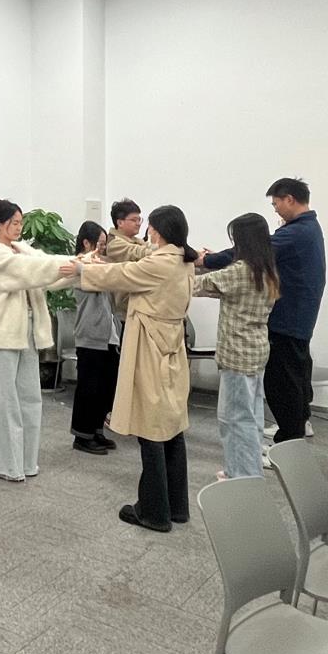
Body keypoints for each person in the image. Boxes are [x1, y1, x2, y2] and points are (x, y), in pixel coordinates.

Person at [78, 205, 196, 533]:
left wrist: (81, 269)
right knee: (171, 426)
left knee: (150, 427)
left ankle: (154, 511)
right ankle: (177, 506)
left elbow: (122, 275)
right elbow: (127, 265)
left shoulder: (160, 261)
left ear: (160, 230)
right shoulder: (183, 260)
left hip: (150, 347)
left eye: (149, 225)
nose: (146, 229)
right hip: (171, 345)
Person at [200, 178, 326, 445]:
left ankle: (289, 440)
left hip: (288, 319)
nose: (276, 209)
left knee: (283, 382)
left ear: (290, 199)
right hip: (299, 316)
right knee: (297, 374)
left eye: (276, 203)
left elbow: (256, 251)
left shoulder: (296, 232)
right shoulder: (308, 228)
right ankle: (298, 424)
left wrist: (206, 260)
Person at [0, 198, 77, 482]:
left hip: (29, 332)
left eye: (20, 222)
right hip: (6, 333)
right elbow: (30, 270)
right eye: (14, 222)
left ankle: (26, 462)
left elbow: (46, 272)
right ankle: (5, 464)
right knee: (5, 401)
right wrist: (71, 264)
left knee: (31, 398)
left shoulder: (22, 249)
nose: (19, 227)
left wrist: (78, 267)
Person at [194, 213, 279, 480]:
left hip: (237, 355)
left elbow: (197, 285)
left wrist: (180, 265)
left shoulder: (241, 271)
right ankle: (244, 471)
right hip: (256, 351)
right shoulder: (267, 269)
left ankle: (241, 477)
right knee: (251, 416)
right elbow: (218, 282)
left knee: (233, 419)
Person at [68, 221, 121, 456]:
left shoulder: (99, 265)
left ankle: (97, 430)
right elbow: (97, 281)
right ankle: (82, 435)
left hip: (108, 336)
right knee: (88, 388)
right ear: (86, 243)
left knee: (106, 387)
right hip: (90, 335)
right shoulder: (76, 265)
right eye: (100, 244)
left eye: (104, 244)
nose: (103, 249)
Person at [103, 198, 152, 339]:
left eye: (139, 219)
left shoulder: (136, 240)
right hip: (124, 312)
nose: (138, 223)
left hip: (139, 309)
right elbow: (140, 253)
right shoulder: (114, 243)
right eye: (134, 220)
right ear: (120, 222)